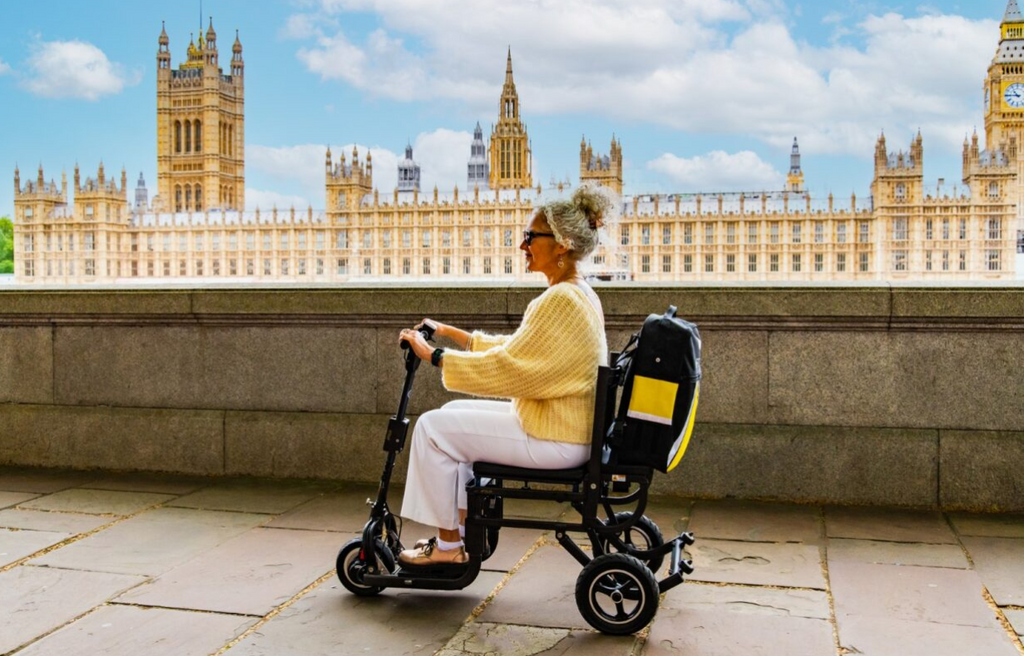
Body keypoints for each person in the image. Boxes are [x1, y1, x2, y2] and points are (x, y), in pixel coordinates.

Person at [396, 184, 614, 568]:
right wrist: (453, 335)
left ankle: (448, 547)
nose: (523, 245)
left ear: (561, 244)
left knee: (432, 429)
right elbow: (521, 351)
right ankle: (459, 530)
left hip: (557, 437)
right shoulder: (577, 292)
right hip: (566, 426)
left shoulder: (559, 299)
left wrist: (436, 358)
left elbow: (514, 370)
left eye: (531, 236)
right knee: (451, 415)